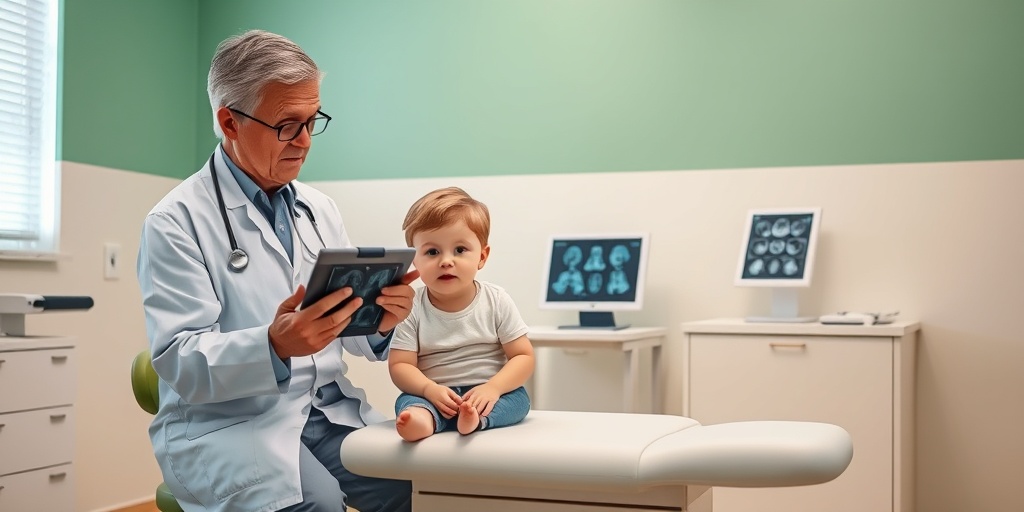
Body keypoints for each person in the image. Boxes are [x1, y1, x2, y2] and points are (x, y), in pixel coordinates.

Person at [136, 29, 415, 512]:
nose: (304, 142)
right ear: (230, 122)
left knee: (419, 486)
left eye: (312, 121)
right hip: (230, 422)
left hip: (323, 409)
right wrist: (274, 345)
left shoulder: (319, 208)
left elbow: (343, 326)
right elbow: (180, 360)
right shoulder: (175, 221)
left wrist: (380, 320)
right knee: (319, 503)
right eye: (288, 125)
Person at [388, 187, 535, 441]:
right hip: (435, 395)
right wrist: (428, 389)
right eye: (432, 252)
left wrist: (493, 388)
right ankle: (422, 420)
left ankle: (477, 419)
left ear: (482, 256)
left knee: (519, 400)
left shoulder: (496, 300)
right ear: (415, 261)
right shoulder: (411, 306)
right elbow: (400, 365)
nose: (446, 261)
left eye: (459, 250)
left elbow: (523, 356)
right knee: (407, 401)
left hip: (486, 393)